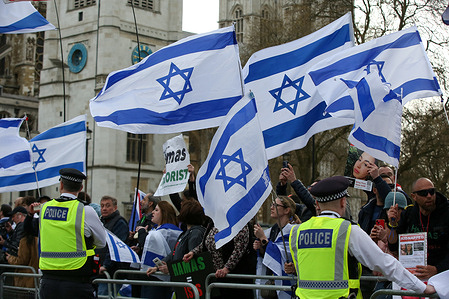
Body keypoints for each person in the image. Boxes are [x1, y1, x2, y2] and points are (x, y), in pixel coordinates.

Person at [286, 176, 435, 299]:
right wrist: (422, 287)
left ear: (317, 204)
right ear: (344, 202)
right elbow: (384, 263)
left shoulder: (297, 232)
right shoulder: (347, 230)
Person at [39, 168, 106, 299]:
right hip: (76, 280)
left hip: (48, 280)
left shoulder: (44, 208)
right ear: (81, 188)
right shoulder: (86, 210)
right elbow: (101, 242)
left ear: (61, 185)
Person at [387, 177, 449, 280]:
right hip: (415, 274)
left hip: (443, 274)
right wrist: (392, 225)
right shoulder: (409, 214)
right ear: (414, 196)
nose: (429, 196)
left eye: (432, 192)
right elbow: (393, 246)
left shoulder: (446, 212)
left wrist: (437, 269)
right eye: (423, 193)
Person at [146, 200, 206, 298]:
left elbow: (193, 263)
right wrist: (158, 266)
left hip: (190, 287)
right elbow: (173, 253)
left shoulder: (196, 234)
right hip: (183, 285)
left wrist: (170, 269)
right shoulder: (187, 232)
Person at [183, 220, 256, 299]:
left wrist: (227, 268)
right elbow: (207, 243)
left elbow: (239, 249)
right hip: (215, 278)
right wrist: (193, 252)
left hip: (233, 280)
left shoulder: (240, 222)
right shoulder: (214, 222)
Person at [253, 195, 299, 299]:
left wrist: (264, 239)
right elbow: (269, 255)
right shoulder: (273, 230)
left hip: (288, 282)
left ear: (287, 210)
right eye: (271, 204)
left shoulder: (293, 230)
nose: (271, 207)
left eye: (275, 205)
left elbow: (282, 255)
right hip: (272, 281)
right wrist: (260, 247)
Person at [140, 201, 182, 299]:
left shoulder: (159, 232)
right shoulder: (177, 231)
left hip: (155, 276)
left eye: (156, 210)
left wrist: (142, 232)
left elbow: (146, 242)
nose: (152, 212)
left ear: (164, 213)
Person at [97, 195, 129, 296]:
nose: (104, 208)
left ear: (115, 208)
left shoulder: (119, 222)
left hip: (110, 271)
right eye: (102, 206)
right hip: (100, 270)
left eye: (107, 205)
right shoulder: (101, 222)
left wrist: (106, 265)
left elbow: (116, 246)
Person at [6, 214, 39, 289]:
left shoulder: (25, 241)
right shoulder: (37, 239)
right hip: (34, 278)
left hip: (25, 279)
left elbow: (22, 260)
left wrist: (9, 258)